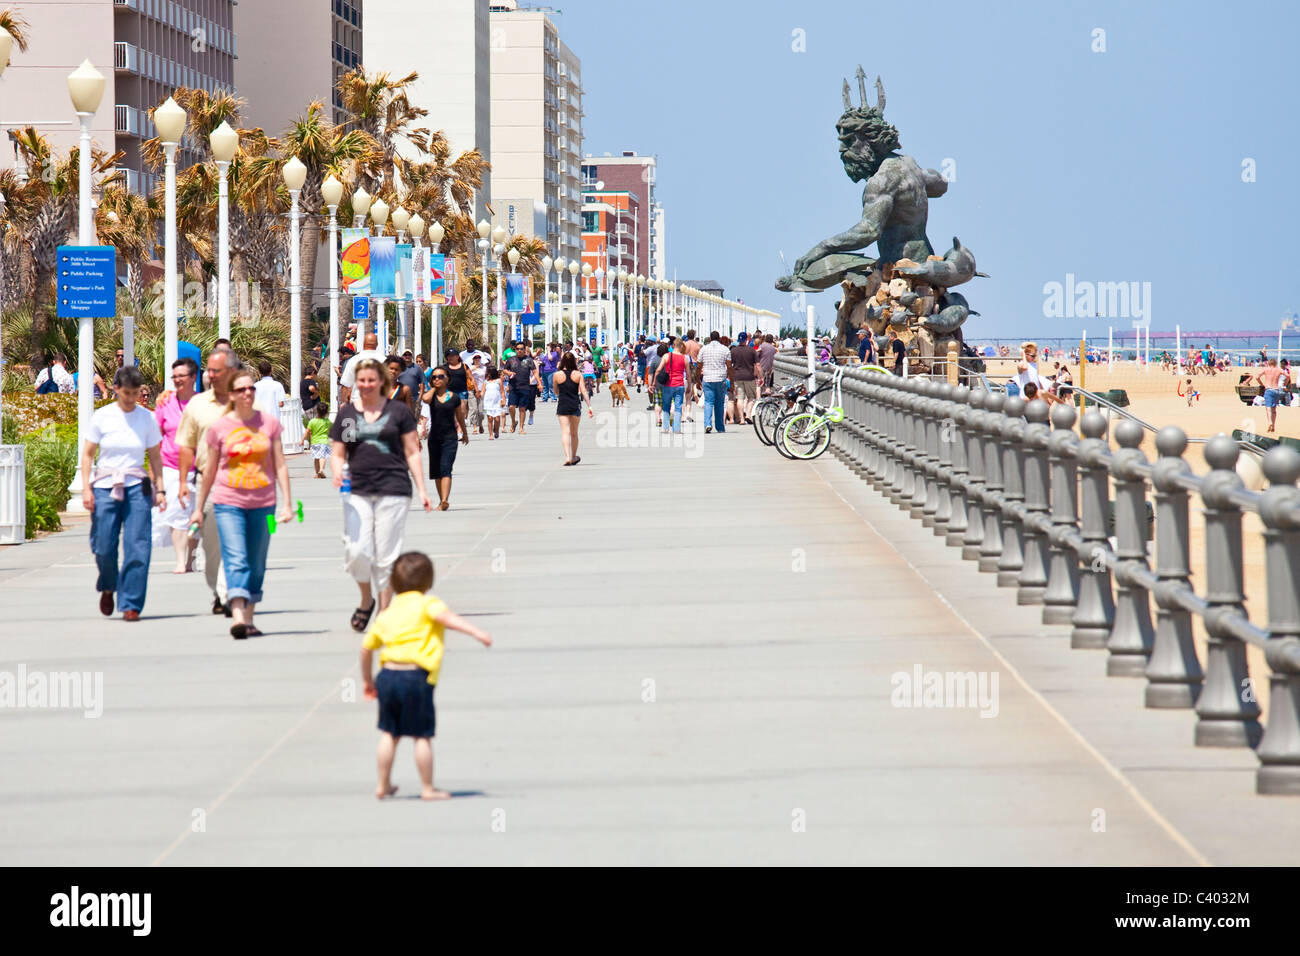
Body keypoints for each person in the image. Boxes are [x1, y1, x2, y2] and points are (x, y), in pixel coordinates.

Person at [360, 551, 492, 801]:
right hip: (416, 677)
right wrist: (476, 632)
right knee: (422, 736)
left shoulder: (387, 613)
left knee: (389, 733)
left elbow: (366, 648)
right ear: (429, 583)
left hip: (388, 676)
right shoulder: (428, 604)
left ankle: (382, 784)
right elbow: (447, 619)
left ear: (395, 585)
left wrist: (368, 681)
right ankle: (427, 787)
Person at [332, 357, 432, 632]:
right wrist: (337, 472)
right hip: (357, 491)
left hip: (394, 488)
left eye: (371, 380)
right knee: (357, 551)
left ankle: (385, 613)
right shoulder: (347, 414)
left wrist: (422, 489)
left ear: (382, 383)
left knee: (387, 555)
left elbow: (412, 451)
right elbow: (338, 451)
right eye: (361, 380)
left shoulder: (398, 413)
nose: (365, 385)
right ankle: (367, 598)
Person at [192, 369, 293, 639]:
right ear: (232, 396)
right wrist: (198, 508)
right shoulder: (220, 428)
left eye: (251, 389)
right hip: (228, 502)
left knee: (257, 561)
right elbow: (210, 470)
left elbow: (280, 464)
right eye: (241, 390)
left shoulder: (269, 424)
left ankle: (249, 618)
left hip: (264, 502)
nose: (248, 393)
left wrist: (288, 503)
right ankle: (237, 616)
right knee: (235, 557)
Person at [82, 366, 166, 622]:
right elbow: (87, 454)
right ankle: (109, 585)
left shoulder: (146, 419)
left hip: (136, 486)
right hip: (106, 485)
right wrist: (87, 488)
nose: (130, 398)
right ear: (116, 389)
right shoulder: (103, 416)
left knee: (137, 545)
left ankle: (131, 602)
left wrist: (159, 488)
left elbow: (154, 456)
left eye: (134, 393)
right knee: (103, 544)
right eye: (125, 393)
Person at [176, 345, 238, 616]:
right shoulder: (198, 405)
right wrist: (182, 483)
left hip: (242, 481)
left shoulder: (246, 400)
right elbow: (186, 446)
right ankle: (218, 589)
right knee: (212, 545)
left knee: (237, 541)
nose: (211, 376)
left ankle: (232, 594)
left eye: (217, 371)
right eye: (208, 371)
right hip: (207, 482)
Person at [153, 357, 200, 574]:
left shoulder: (203, 403)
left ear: (193, 377)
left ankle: (190, 558)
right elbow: (156, 439)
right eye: (174, 377)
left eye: (182, 376)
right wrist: (155, 475)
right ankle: (181, 560)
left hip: (199, 468)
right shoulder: (165, 403)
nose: (177, 380)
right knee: (176, 511)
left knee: (195, 515)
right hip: (170, 466)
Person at [422, 365, 469, 510]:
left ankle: (444, 500)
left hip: (450, 438)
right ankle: (440, 500)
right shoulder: (432, 396)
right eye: (434, 377)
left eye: (440, 376)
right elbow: (425, 399)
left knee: (446, 468)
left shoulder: (454, 397)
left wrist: (465, 433)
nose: (437, 379)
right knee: (436, 471)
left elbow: (460, 416)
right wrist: (434, 388)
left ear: (447, 379)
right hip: (434, 438)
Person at [554, 351, 592, 465]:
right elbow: (583, 391)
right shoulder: (578, 374)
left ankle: (567, 457)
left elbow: (556, 391)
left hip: (563, 405)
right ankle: (574, 456)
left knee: (565, 432)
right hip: (575, 404)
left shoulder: (557, 374)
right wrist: (589, 406)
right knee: (574, 433)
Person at [699, 330, 731, 434]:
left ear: (710, 338)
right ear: (719, 338)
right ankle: (720, 427)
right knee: (719, 404)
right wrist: (732, 380)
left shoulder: (704, 349)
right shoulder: (725, 349)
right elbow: (729, 366)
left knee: (708, 402)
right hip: (721, 378)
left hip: (707, 378)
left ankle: (708, 424)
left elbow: (699, 365)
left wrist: (697, 379)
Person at [338, 332, 385, 403]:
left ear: (363, 344)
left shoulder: (354, 360)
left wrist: (343, 404)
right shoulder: (384, 360)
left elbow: (345, 386)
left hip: (357, 403)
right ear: (377, 344)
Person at [658, 339, 690, 434]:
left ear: (673, 345)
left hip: (668, 385)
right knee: (678, 407)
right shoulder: (685, 358)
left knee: (666, 406)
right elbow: (688, 375)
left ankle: (665, 428)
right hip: (679, 385)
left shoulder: (666, 356)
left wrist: (654, 382)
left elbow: (658, 369)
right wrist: (689, 386)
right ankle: (677, 429)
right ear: (680, 346)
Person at [505, 344, 537, 434]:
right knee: (511, 407)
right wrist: (509, 372)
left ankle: (521, 428)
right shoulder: (511, 359)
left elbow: (535, 372)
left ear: (524, 350)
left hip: (525, 387)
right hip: (513, 387)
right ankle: (513, 422)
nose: (519, 350)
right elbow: (504, 370)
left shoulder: (529, 360)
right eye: (517, 349)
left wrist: (539, 383)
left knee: (522, 409)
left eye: (521, 349)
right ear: (515, 350)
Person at [729, 332, 759, 424]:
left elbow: (729, 365)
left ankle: (741, 419)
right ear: (746, 340)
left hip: (737, 376)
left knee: (740, 398)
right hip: (749, 377)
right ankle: (748, 415)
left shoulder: (733, 351)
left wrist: (730, 377)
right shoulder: (751, 350)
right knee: (751, 397)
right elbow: (757, 365)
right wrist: (759, 376)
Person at [1255, 358, 1287, 433]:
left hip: (1268, 389)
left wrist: (1262, 384)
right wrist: (1285, 384)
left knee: (1268, 408)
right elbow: (1287, 375)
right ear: (1275, 363)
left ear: (1269, 363)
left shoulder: (1266, 369)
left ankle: (1270, 422)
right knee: (1274, 409)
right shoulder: (1278, 370)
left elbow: (1257, 377)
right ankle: (1273, 426)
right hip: (1276, 390)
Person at [304, 402, 332, 478]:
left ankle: (317, 473)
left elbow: (307, 431)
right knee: (322, 457)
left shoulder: (312, 421)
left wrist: (302, 440)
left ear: (316, 411)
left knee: (316, 458)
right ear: (326, 412)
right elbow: (331, 431)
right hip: (324, 442)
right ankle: (321, 470)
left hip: (314, 442)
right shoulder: (327, 422)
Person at [481, 365, 505, 439]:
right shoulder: (486, 382)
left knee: (497, 419)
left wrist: (503, 399)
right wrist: (478, 394)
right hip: (487, 403)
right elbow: (482, 392)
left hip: (497, 402)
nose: (487, 374)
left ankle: (496, 430)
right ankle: (490, 435)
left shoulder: (498, 381)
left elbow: (502, 392)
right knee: (490, 418)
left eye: (489, 372)